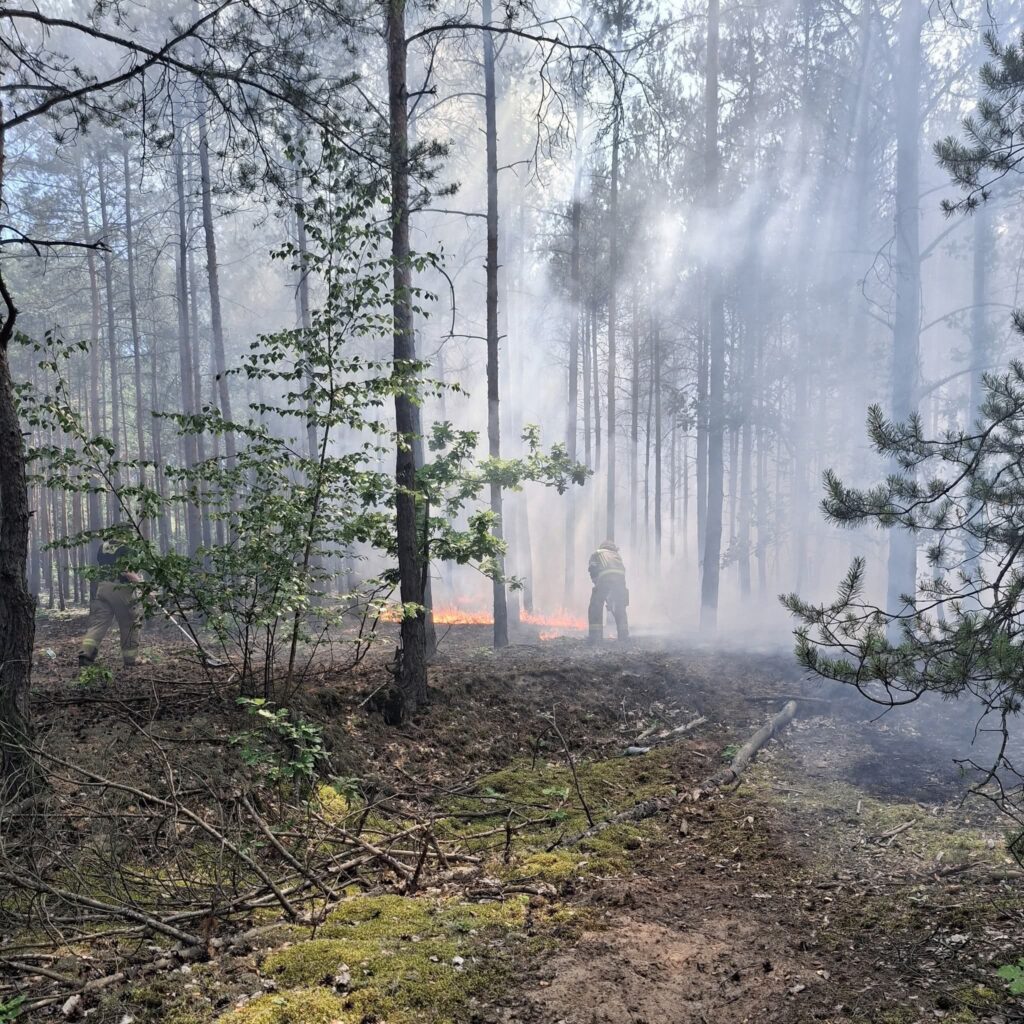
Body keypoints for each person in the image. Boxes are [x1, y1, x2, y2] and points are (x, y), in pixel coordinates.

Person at [78, 531, 143, 668]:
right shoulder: (127, 549)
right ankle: (130, 660)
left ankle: (86, 653)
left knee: (99, 623)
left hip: (103, 588)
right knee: (129, 623)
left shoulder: (103, 547)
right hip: (120, 589)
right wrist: (142, 585)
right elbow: (127, 571)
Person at [587, 539, 629, 643]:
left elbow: (593, 569)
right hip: (620, 582)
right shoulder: (617, 556)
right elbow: (622, 573)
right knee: (620, 608)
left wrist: (597, 584)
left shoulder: (597, 553)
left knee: (595, 606)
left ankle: (595, 637)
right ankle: (623, 637)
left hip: (605, 579)